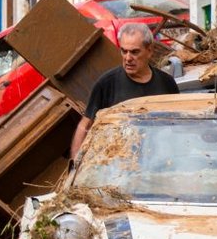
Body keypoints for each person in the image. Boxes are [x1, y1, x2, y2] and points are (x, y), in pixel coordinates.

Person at [70, 22, 179, 159]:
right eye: (124, 51)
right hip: (118, 167)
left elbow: (177, 128)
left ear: (149, 51)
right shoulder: (106, 84)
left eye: (134, 52)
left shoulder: (167, 83)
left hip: (158, 163)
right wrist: (74, 164)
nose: (128, 58)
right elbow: (84, 126)